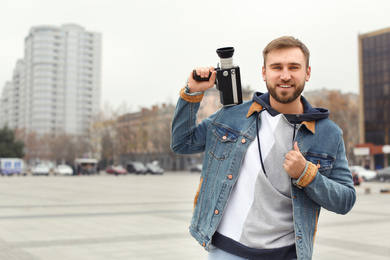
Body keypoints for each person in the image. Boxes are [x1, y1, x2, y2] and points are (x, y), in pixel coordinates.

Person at [170, 36, 356, 260]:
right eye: (276, 67)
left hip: (287, 254)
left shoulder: (328, 133)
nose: (285, 75)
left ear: (307, 73)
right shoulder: (233, 114)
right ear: (264, 72)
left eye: (293, 67)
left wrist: (308, 175)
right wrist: (192, 92)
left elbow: (345, 200)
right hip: (226, 251)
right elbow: (182, 142)